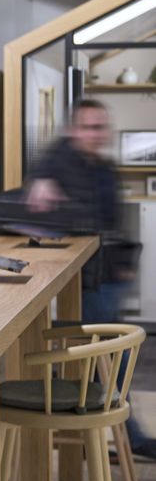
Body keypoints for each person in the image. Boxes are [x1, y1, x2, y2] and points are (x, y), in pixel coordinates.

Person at [26, 98, 154, 459]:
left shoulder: (102, 167)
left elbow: (109, 220)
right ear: (72, 129)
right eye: (88, 127)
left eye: (101, 127)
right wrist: (41, 183)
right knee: (112, 358)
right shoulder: (58, 162)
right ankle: (125, 436)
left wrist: (124, 263)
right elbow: (38, 182)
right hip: (86, 282)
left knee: (112, 358)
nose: (96, 134)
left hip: (109, 274)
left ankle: (103, 435)